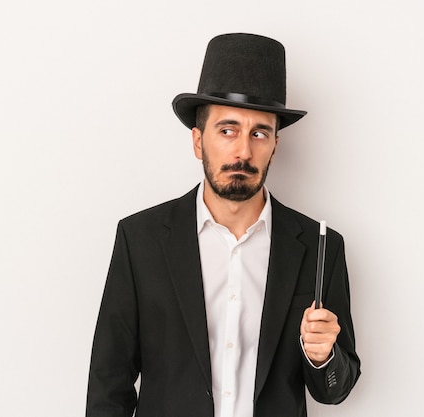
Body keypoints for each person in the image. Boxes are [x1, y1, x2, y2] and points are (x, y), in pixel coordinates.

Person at [86, 33, 360, 417]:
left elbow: (335, 390)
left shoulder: (321, 248)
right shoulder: (141, 240)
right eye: (227, 130)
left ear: (275, 146)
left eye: (259, 133)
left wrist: (323, 356)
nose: (243, 151)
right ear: (198, 141)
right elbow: (108, 384)